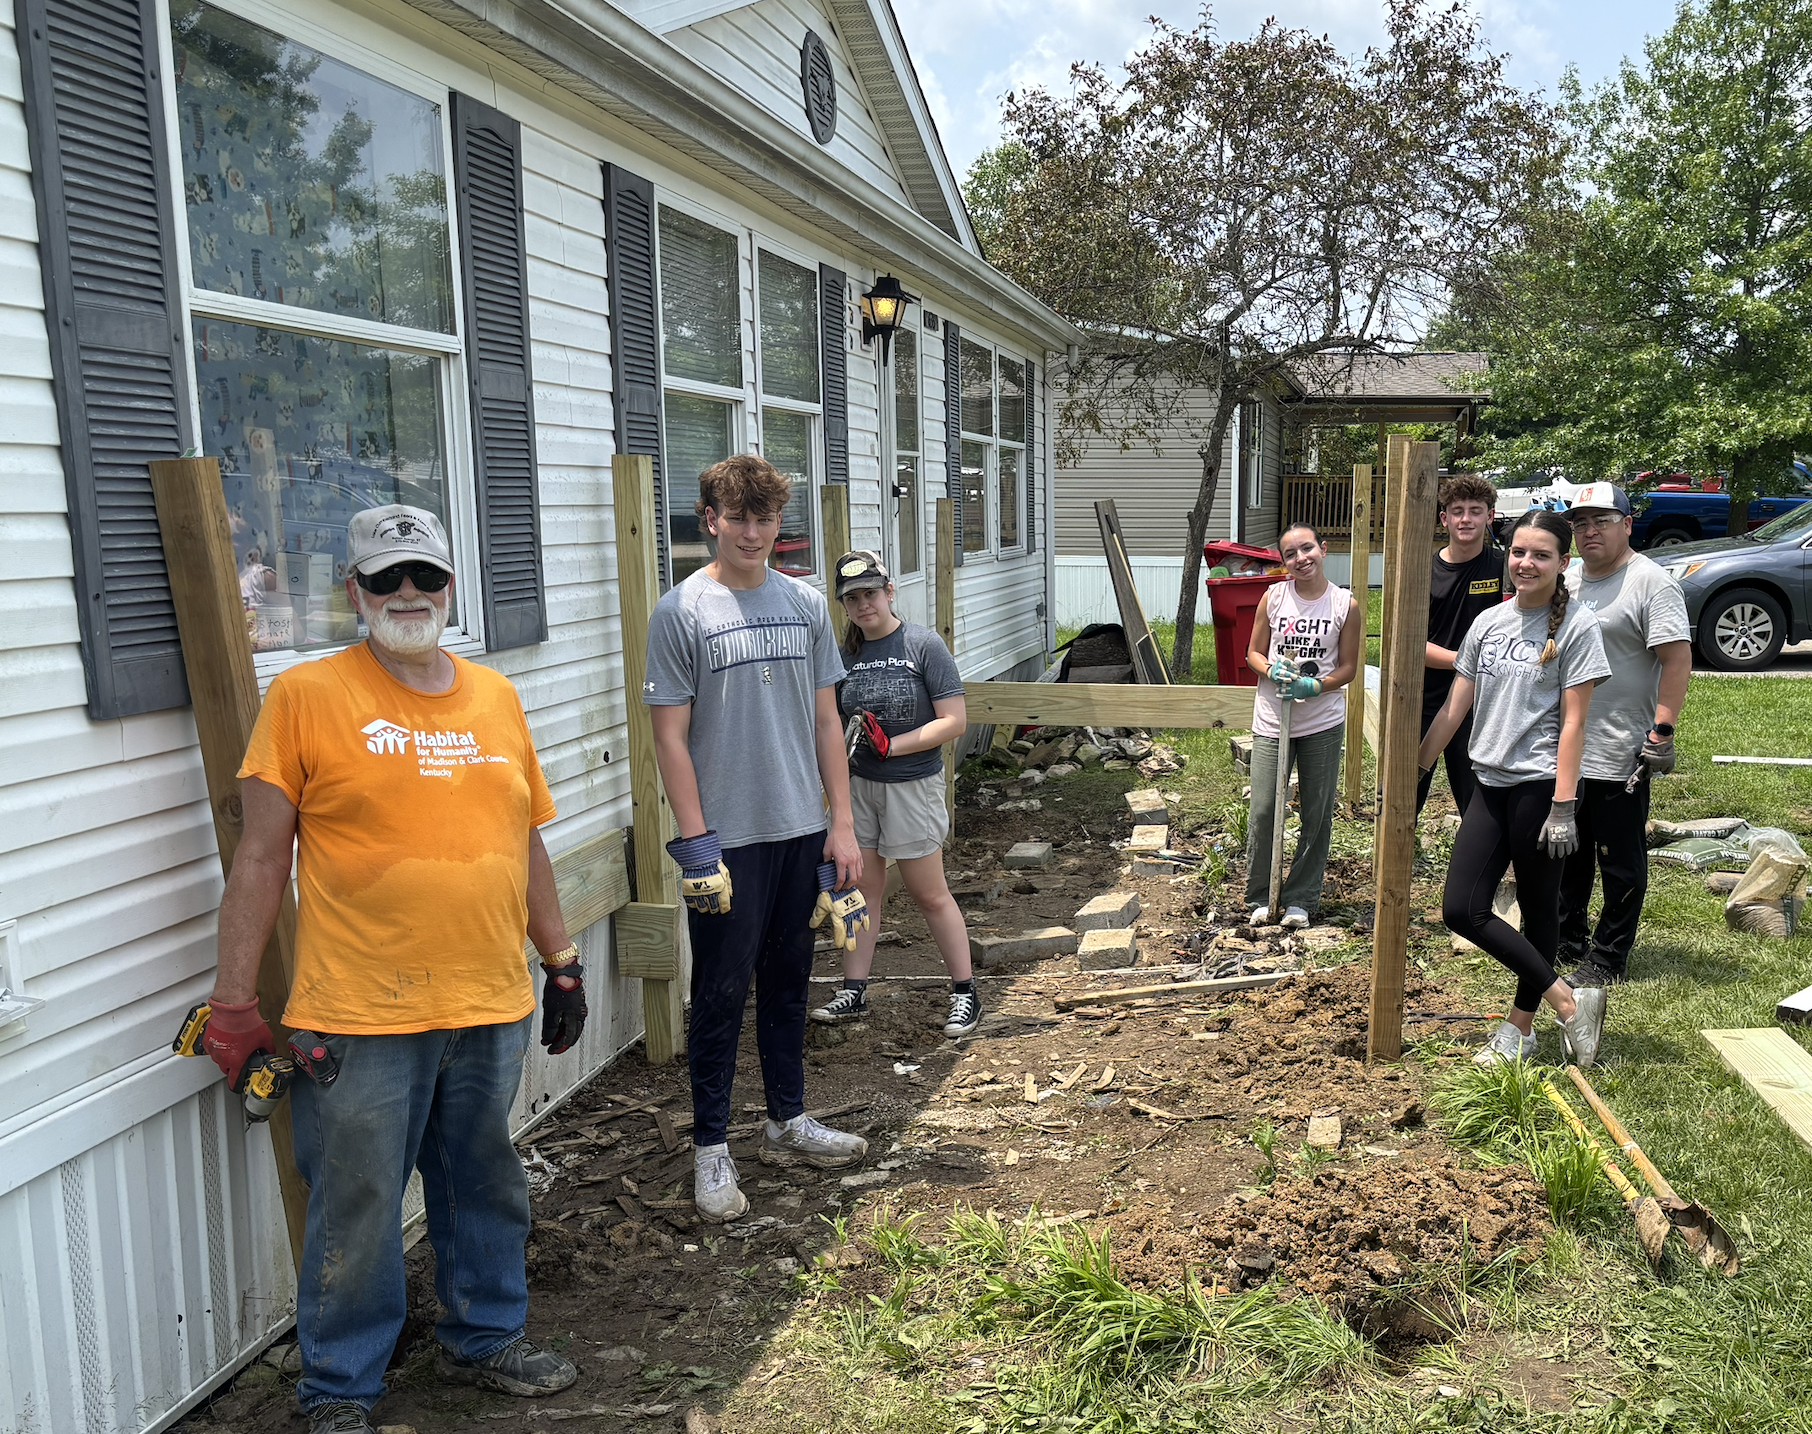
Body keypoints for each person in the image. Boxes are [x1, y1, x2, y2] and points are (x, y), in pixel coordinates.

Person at [203, 505, 583, 1434]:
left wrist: (562, 957)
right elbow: (259, 857)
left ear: (450, 588)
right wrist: (233, 1001)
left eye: (424, 578)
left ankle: (486, 1336)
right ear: (354, 594)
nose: (406, 595)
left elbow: (523, 837)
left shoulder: (494, 696)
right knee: (358, 1203)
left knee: (483, 1181)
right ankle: (339, 1388)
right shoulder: (304, 696)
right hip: (359, 1013)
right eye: (384, 580)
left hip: (489, 997)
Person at [645, 454, 871, 1225]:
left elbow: (823, 721)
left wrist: (840, 825)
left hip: (801, 828)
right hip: (728, 840)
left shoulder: (806, 605)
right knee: (718, 993)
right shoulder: (681, 612)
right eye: (737, 517)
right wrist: (696, 840)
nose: (752, 532)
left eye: (765, 517)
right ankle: (711, 1149)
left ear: (780, 523)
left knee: (787, 979)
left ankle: (787, 1116)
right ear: (709, 520)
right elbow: (669, 738)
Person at [1419, 510, 1612, 1067]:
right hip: (1489, 782)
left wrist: (1564, 805)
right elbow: (1457, 705)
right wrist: (1418, 770)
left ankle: (1519, 1029)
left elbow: (1575, 722)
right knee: (1462, 908)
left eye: (1541, 555)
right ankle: (1568, 1001)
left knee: (1536, 907)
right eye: (1519, 552)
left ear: (1563, 563)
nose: (1526, 563)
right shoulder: (1488, 623)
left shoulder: (1577, 627)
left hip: (1539, 789)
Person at [808, 551, 978, 1038]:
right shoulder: (844, 656)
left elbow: (954, 721)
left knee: (929, 894)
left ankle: (965, 992)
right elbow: (830, 722)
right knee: (862, 893)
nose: (864, 605)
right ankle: (853, 990)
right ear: (844, 604)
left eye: (871, 594)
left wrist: (893, 746)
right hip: (858, 789)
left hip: (912, 788)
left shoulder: (923, 645)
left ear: (889, 592)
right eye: (853, 598)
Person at [1558, 483, 1691, 987]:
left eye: (1602, 521)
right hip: (1565, 743)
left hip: (1619, 746)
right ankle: (1566, 937)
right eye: (1580, 523)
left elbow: (1676, 660)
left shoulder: (1650, 583)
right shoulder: (1567, 577)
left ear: (1628, 524)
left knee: (1618, 857)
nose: (1589, 532)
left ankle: (1609, 956)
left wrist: (1662, 729)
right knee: (1567, 849)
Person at [1243, 523, 1363, 928]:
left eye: (1307, 549)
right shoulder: (1273, 597)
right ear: (1283, 561)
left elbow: (1347, 667)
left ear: (1323, 549)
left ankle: (1300, 899)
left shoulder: (1345, 604)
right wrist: (1271, 669)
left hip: (1321, 722)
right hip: (1273, 719)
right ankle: (1261, 895)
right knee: (1263, 810)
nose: (1301, 559)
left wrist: (1317, 685)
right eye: (1291, 554)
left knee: (1316, 811)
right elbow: (1253, 654)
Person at [1418, 475, 1506, 816]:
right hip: (1426, 697)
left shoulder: (1504, 568)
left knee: (1475, 801)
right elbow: (1410, 646)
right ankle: (1395, 862)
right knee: (1408, 787)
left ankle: (1478, 866)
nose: (1465, 519)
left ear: (1490, 516)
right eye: (1457, 511)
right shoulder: (1423, 570)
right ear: (1445, 518)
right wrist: (1465, 662)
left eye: (1475, 510)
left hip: (1483, 701)